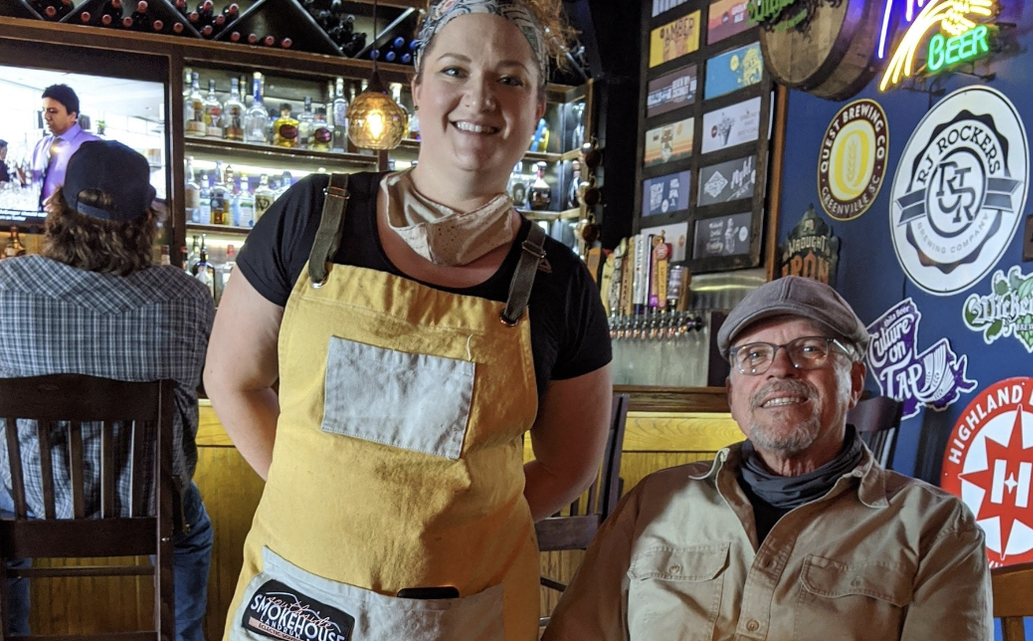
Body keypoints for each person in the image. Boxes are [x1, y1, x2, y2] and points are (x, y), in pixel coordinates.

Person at [203, 1, 612, 640]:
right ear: (416, 88)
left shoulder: (562, 284)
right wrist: (320, 497)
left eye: (510, 79)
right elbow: (233, 380)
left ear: (537, 108)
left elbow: (570, 466)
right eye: (455, 70)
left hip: (462, 612)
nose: (480, 98)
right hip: (298, 599)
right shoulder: (313, 216)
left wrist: (449, 527)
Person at [543, 276, 993, 641]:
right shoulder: (654, 502)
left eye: (810, 349)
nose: (779, 369)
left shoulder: (936, 528)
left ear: (855, 382)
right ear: (732, 395)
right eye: (754, 356)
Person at [0, 141, 215, 641]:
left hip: (29, 507)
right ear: (146, 219)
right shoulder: (187, 297)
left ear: (57, 207)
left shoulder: (5, 288)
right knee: (191, 531)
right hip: (152, 509)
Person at [30, 84, 100, 206]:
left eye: (53, 111)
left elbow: (99, 191)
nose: (46, 116)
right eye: (43, 110)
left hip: (72, 216)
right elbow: (34, 183)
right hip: (37, 215)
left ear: (72, 116)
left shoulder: (92, 145)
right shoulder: (41, 145)